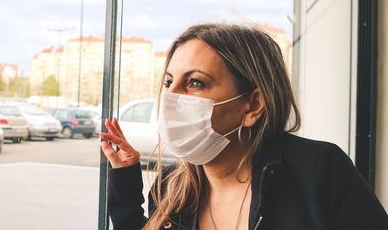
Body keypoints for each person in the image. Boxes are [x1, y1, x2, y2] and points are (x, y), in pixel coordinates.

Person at [100, 23, 388, 230]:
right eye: (168, 82)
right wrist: (125, 179)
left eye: (195, 82)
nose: (171, 97)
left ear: (253, 106)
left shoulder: (319, 171)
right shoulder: (171, 187)